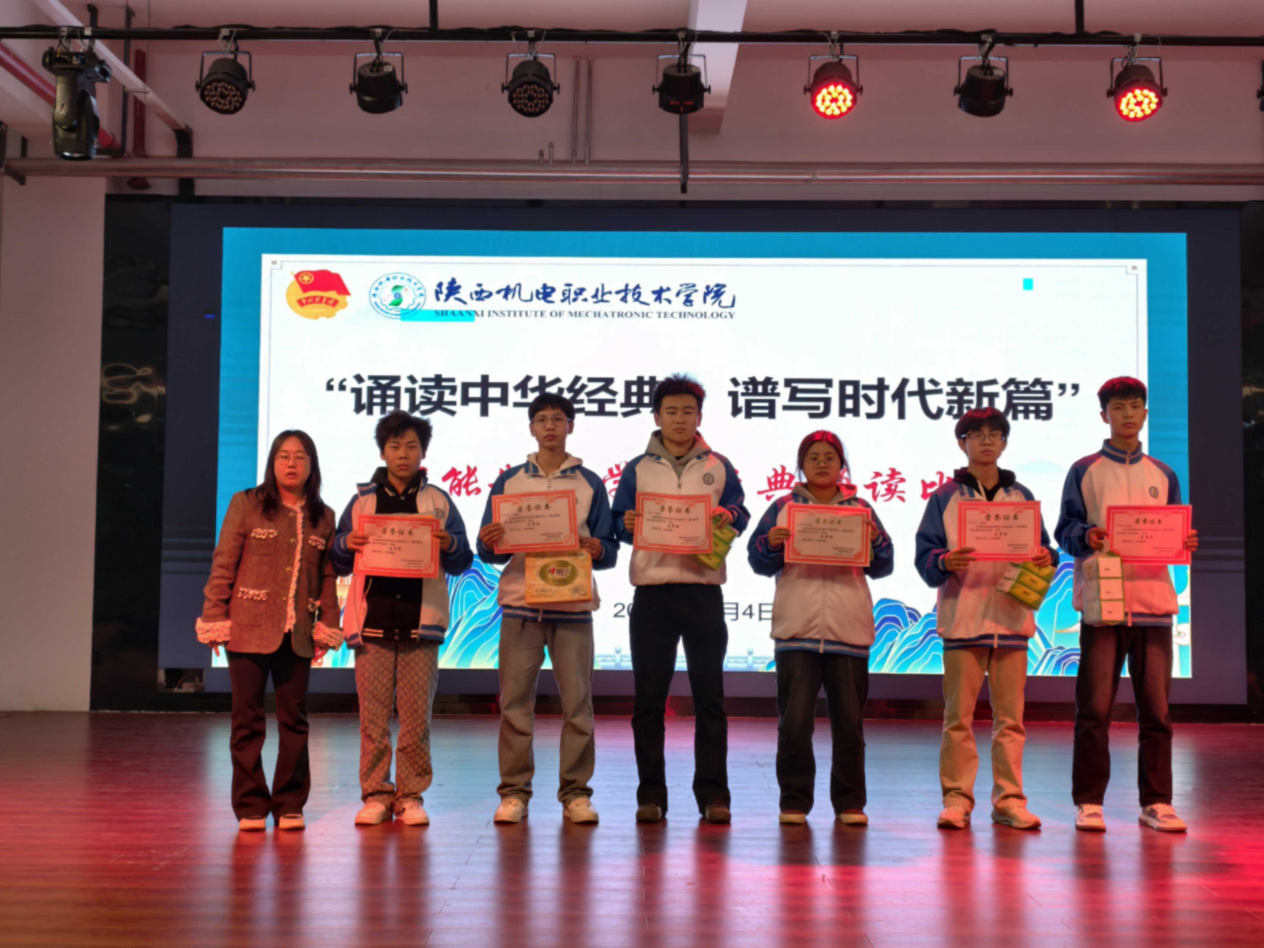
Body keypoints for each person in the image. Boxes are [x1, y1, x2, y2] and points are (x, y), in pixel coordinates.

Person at [1055, 376, 1198, 833]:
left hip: (1153, 605)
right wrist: (1088, 535)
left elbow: (1174, 533)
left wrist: (1184, 541)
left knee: (1156, 713)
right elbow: (1065, 531)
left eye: (1135, 406)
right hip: (1103, 606)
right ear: (1104, 416)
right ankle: (1088, 801)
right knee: (1094, 711)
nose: (1128, 414)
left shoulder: (1163, 473)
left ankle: (1156, 801)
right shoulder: (1085, 470)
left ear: (1146, 414)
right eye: (1119, 407)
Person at [611, 374, 750, 824]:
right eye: (670, 411)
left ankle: (714, 796)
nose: (679, 419)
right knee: (648, 702)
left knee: (710, 699)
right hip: (652, 595)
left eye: (687, 411)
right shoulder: (637, 468)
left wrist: (729, 515)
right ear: (656, 416)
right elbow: (617, 521)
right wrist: (626, 523)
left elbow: (741, 512)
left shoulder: (719, 465)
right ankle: (650, 796)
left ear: (699, 417)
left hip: (704, 593)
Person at [476, 394, 619, 825]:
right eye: (542, 419)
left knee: (578, 706)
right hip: (521, 606)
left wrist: (597, 547)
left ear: (571, 426)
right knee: (514, 706)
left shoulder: (590, 482)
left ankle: (576, 793)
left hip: (572, 606)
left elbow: (609, 548)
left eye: (558, 418)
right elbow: (490, 549)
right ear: (531, 428)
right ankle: (514, 793)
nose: (550, 426)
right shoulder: (509, 481)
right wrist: (490, 541)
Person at [914, 407, 1058, 831]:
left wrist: (1045, 556)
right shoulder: (944, 497)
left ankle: (1009, 801)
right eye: (977, 435)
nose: (987, 441)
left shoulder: (1023, 497)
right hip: (964, 620)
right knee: (957, 719)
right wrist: (945, 560)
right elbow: (925, 558)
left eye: (995, 434)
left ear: (1005, 443)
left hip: (1012, 621)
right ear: (962, 443)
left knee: (1010, 721)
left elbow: (1046, 550)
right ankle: (956, 800)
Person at [196, 429, 344, 832]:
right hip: (247, 629)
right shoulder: (246, 503)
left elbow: (327, 577)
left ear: (312, 465)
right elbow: (224, 563)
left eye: (299, 456)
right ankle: (250, 805)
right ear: (272, 462)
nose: (291, 463)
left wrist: (328, 626)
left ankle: (290, 803)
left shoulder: (324, 516)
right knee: (246, 719)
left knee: (294, 719)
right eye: (283, 456)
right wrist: (214, 618)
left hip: (297, 634)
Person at [330, 410, 473, 827]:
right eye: (395, 446)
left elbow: (463, 560)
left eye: (412, 446)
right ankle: (376, 795)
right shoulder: (362, 501)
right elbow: (337, 559)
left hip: (421, 625)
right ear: (382, 452)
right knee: (373, 720)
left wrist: (448, 544)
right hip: (371, 625)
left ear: (423, 452)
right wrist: (346, 542)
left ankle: (410, 797)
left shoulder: (438, 501)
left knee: (416, 720)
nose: (403, 454)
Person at [747, 430, 893, 826]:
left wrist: (876, 541)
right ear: (802, 465)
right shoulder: (783, 507)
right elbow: (757, 561)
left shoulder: (861, 509)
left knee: (849, 725)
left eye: (830, 457)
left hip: (848, 630)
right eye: (813, 457)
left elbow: (884, 565)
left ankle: (850, 803)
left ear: (842, 464)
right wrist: (771, 543)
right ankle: (794, 801)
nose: (822, 463)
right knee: (794, 724)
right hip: (797, 629)